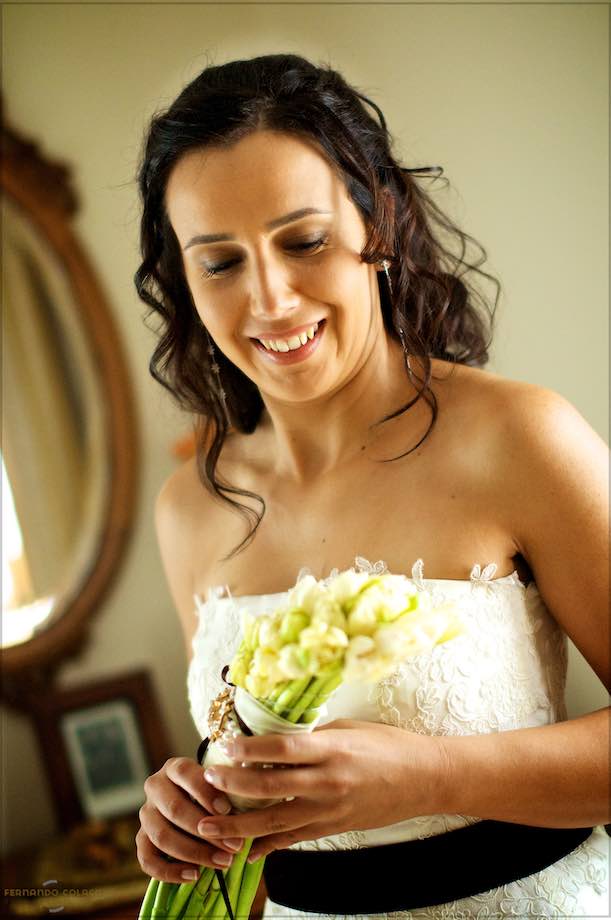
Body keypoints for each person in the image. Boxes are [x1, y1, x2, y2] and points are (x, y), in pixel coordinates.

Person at [133, 54, 609, 918]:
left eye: (303, 242)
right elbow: (244, 755)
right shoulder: (188, 509)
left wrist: (433, 776)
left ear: (378, 225)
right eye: (220, 262)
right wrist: (192, 807)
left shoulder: (519, 439)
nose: (270, 300)